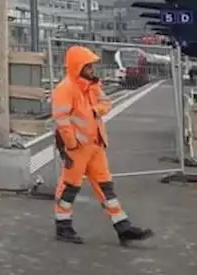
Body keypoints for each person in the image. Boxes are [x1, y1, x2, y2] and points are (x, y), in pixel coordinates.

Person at [51, 45, 153, 245]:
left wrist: (95, 110)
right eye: (88, 66)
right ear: (77, 67)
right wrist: (71, 145)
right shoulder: (65, 89)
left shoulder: (92, 86)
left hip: (96, 146)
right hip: (78, 148)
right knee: (69, 186)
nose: (92, 69)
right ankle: (63, 226)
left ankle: (123, 227)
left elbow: (106, 103)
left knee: (105, 187)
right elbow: (61, 119)